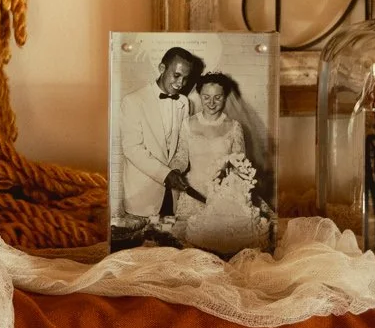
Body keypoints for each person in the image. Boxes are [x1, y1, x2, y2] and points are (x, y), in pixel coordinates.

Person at [114, 46, 203, 242]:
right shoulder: (133, 101)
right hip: (142, 199)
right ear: (162, 67)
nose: (180, 83)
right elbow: (132, 149)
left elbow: (182, 145)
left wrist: (178, 170)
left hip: (172, 198)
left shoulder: (184, 103)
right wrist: (166, 174)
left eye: (186, 78)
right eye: (176, 75)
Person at [178, 71, 273, 255]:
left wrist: (227, 191)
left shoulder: (234, 126)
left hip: (223, 196)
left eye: (217, 97)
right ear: (199, 95)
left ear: (225, 97)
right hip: (193, 194)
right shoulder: (187, 124)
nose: (211, 103)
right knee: (192, 251)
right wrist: (172, 171)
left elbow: (240, 164)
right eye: (206, 97)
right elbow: (181, 158)